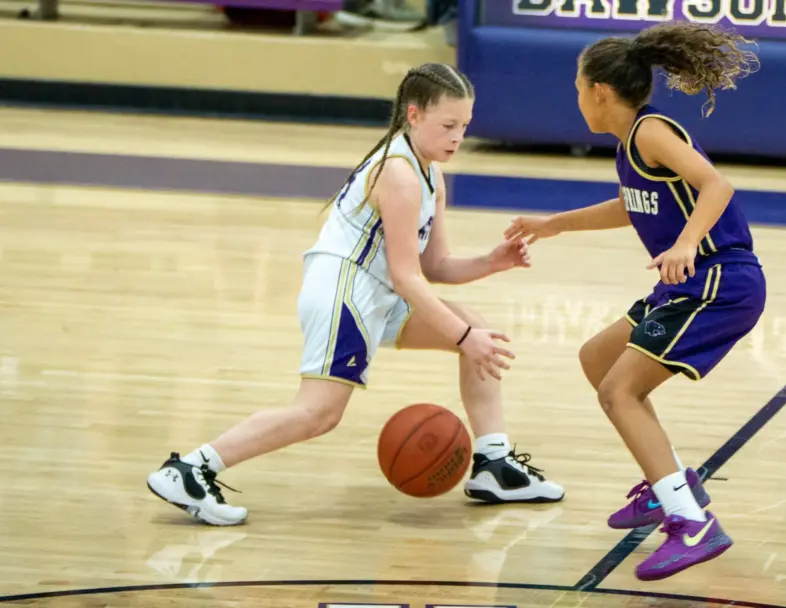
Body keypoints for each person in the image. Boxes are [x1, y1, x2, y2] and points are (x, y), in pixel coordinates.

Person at [146, 63, 565, 526]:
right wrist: (464, 338)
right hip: (344, 292)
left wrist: (491, 261)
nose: (457, 137)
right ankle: (191, 469)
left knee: (474, 327)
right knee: (318, 414)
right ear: (413, 115)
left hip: (374, 292)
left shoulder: (430, 174)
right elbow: (407, 278)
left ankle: (493, 465)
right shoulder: (399, 174)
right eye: (448, 125)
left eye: (464, 126)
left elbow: (433, 266)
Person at [504, 22, 764, 581]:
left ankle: (690, 522)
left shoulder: (650, 131)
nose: (576, 97)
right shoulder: (631, 144)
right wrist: (554, 224)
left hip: (719, 280)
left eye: (578, 87)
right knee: (598, 359)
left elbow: (717, 185)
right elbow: (633, 204)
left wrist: (687, 242)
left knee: (618, 391)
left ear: (600, 91)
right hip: (687, 283)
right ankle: (669, 483)